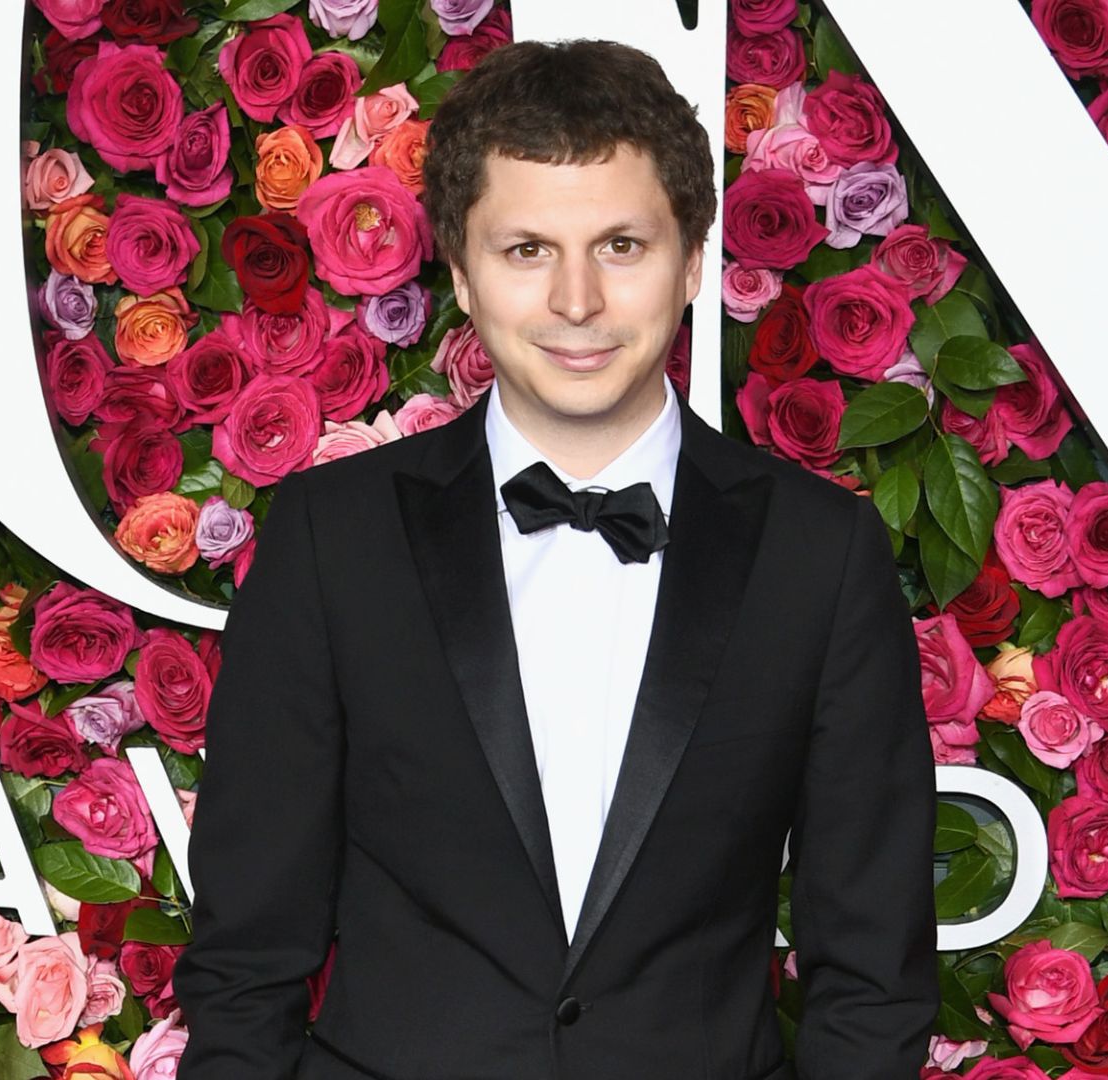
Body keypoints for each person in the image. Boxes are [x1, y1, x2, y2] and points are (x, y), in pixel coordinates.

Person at [174, 37, 938, 1080]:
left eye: (622, 246)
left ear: (694, 260)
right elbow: (244, 959)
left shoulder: (820, 556)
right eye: (527, 249)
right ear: (459, 270)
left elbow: (874, 975)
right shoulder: (330, 537)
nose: (577, 301)